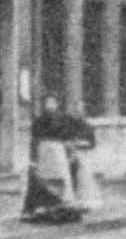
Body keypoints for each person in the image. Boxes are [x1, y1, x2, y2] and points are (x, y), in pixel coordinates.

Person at [22, 94, 85, 223]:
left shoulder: (62, 120)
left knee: (61, 179)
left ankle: (61, 208)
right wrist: (33, 160)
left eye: (53, 103)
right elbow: (34, 140)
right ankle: (39, 208)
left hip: (58, 153)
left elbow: (67, 138)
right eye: (47, 103)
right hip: (44, 152)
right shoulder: (38, 121)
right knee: (41, 179)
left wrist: (70, 153)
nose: (50, 106)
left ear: (57, 105)